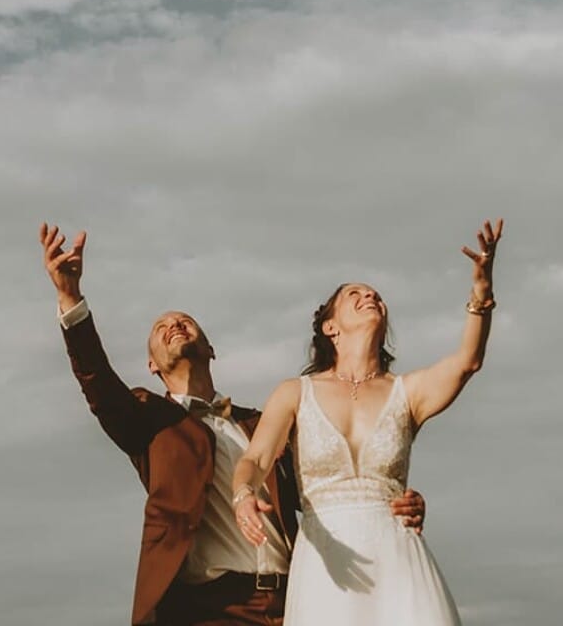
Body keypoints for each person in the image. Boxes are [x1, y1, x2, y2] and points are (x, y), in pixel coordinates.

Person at [39, 223, 428, 626]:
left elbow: (331, 481)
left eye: (185, 320)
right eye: (160, 328)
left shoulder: (264, 424)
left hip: (299, 600)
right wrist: (70, 297)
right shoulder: (147, 421)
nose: (174, 324)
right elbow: (97, 381)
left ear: (210, 348)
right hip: (211, 609)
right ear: (151, 365)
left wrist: (393, 502)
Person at [231, 219, 503, 625]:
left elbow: (468, 361)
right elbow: (256, 458)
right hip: (328, 562)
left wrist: (481, 294)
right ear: (330, 327)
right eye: (354, 294)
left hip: (398, 555)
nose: (370, 295)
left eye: (375, 294)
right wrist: (243, 495)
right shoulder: (295, 392)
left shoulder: (407, 392)